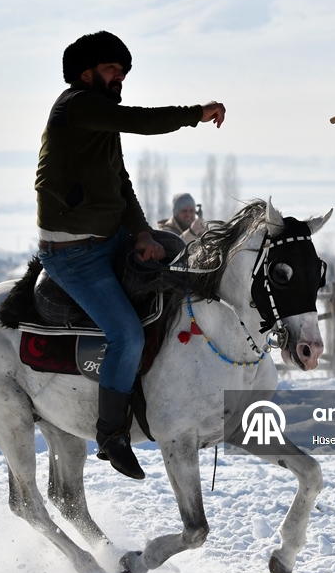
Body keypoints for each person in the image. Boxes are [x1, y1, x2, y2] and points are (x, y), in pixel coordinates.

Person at [35, 31, 226, 480]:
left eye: (123, 70)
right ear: (86, 74)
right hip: (74, 256)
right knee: (126, 335)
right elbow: (139, 119)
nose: (120, 76)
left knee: (183, 256)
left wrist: (141, 232)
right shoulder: (76, 107)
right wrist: (194, 115)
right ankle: (110, 433)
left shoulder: (100, 126)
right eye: (111, 69)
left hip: (109, 238)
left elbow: (121, 184)